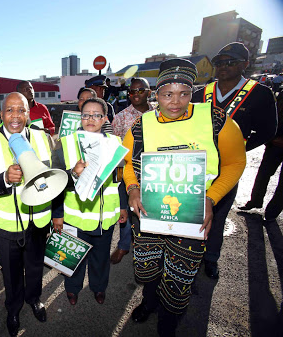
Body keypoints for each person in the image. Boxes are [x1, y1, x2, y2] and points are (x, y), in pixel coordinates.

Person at [124, 59, 246, 336]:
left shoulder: (215, 120)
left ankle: (169, 321)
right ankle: (149, 303)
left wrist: (212, 198)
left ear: (193, 92)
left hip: (192, 215)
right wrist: (132, 188)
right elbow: (127, 161)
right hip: (150, 213)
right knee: (150, 267)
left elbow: (235, 163)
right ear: (156, 94)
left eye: (183, 93)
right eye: (167, 94)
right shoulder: (142, 124)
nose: (175, 102)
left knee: (180, 274)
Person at [192, 42, 278, 279]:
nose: (223, 67)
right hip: (198, 163)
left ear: (245, 64)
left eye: (231, 62)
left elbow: (268, 130)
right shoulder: (201, 93)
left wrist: (238, 149)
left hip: (228, 167)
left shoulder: (260, 93)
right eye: (219, 62)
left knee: (218, 213)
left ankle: (211, 258)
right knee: (192, 210)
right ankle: (192, 253)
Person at [0, 92, 54, 336]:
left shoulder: (43, 138)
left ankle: (34, 299)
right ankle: (14, 308)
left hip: (38, 220)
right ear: (1, 115)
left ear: (29, 114)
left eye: (21, 110)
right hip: (7, 227)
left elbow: (55, 178)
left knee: (34, 267)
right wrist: (4, 179)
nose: (15, 116)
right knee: (10, 273)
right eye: (10, 110)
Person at [52, 97, 127, 306]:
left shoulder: (115, 144)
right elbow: (57, 182)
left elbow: (118, 179)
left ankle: (99, 288)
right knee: (73, 256)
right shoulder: (65, 144)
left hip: (105, 217)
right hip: (74, 217)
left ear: (104, 119)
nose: (90, 119)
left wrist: (122, 206)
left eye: (96, 115)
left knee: (101, 258)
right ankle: (72, 289)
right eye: (86, 114)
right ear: (80, 117)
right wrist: (57, 214)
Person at [109, 78, 155, 264]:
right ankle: (124, 245)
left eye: (140, 91)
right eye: (132, 92)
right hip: (129, 172)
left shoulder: (160, 113)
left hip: (155, 171)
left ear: (149, 92)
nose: (136, 95)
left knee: (152, 210)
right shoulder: (121, 117)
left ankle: (148, 247)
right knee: (127, 209)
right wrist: (118, 176)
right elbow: (114, 147)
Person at [239, 91, 283, 220]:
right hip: (274, 143)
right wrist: (270, 136)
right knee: (263, 174)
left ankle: (272, 213)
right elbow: (273, 116)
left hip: (276, 141)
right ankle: (255, 202)